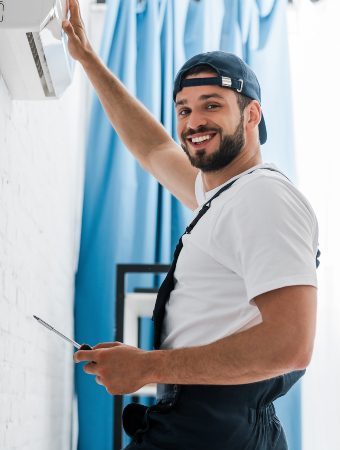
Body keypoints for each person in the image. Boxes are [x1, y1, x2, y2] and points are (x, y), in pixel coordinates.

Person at [64, 1, 319, 449]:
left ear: (252, 115)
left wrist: (148, 366)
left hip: (219, 429)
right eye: (183, 109)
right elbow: (154, 149)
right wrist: (89, 60)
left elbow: (291, 346)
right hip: (197, 422)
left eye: (211, 105)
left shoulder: (263, 196)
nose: (193, 122)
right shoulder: (225, 195)